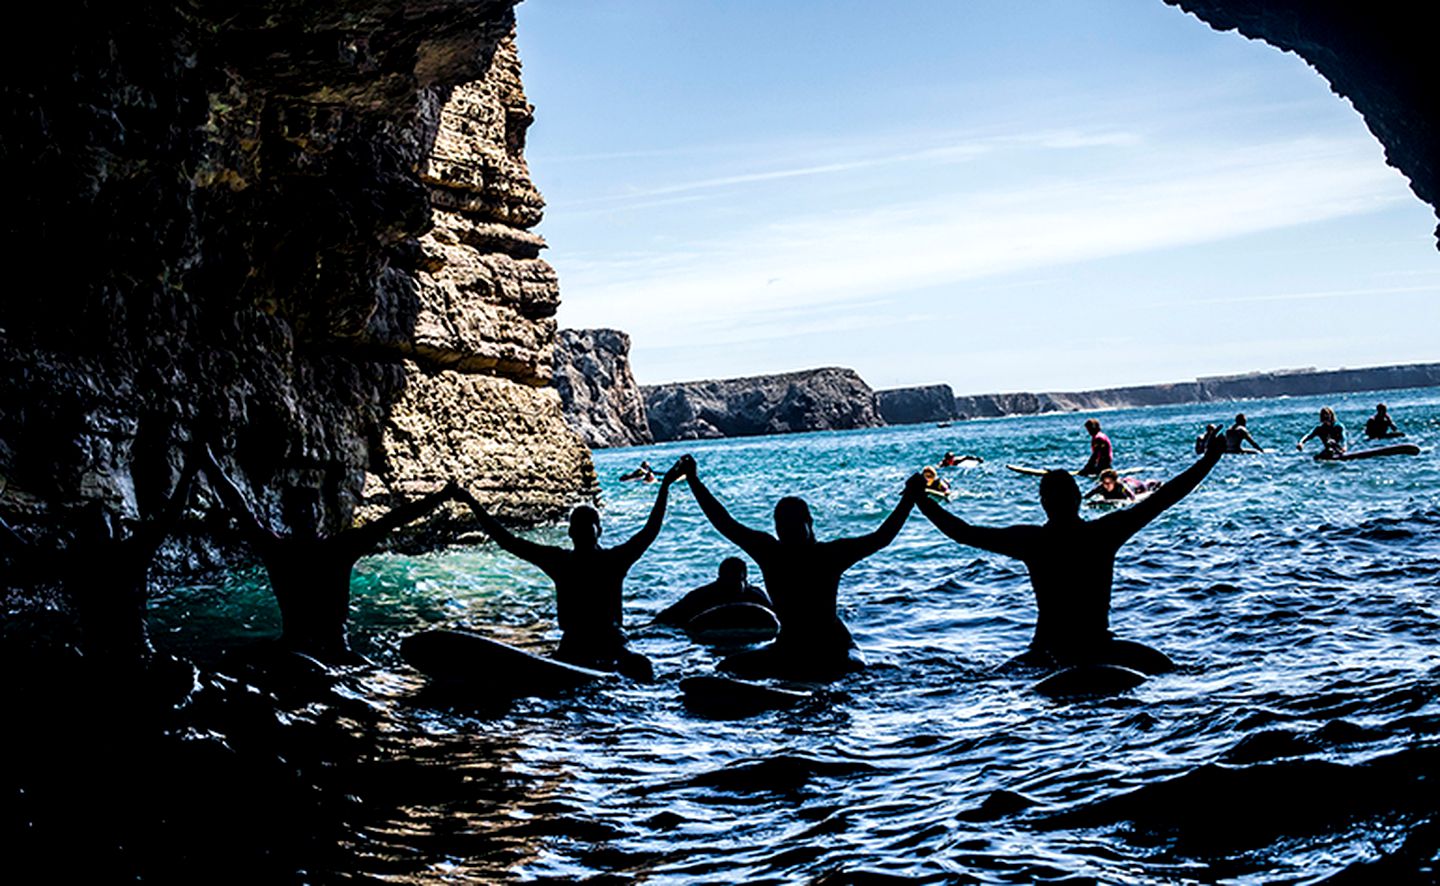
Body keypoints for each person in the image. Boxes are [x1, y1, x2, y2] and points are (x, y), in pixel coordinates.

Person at [914, 430, 1226, 675]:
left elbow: (962, 532)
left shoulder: (1032, 541)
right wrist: (1210, 459)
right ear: (1078, 498)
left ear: (1043, 503)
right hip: (1098, 646)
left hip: (1049, 651)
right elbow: (1165, 497)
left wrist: (921, 500)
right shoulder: (1103, 534)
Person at [202, 446, 459, 664]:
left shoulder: (278, 549)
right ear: (320, 515)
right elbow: (393, 519)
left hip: (293, 652)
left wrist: (208, 461)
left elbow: (240, 507)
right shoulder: (337, 549)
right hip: (336, 654)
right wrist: (443, 495)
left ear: (286, 517)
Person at [677, 453, 924, 679]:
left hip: (834, 645)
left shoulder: (829, 554)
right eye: (782, 526)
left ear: (809, 523)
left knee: (852, 669)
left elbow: (881, 538)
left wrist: (909, 499)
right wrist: (694, 481)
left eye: (794, 525)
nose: (788, 531)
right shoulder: (769, 551)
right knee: (724, 669)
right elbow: (725, 523)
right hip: (789, 645)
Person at [454, 459, 685, 682]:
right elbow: (508, 541)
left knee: (640, 665)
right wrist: (471, 503)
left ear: (598, 531)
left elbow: (651, 530)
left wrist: (664, 486)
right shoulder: (578, 560)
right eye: (579, 526)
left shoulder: (603, 560)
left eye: (587, 526)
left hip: (608, 642)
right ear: (572, 533)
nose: (583, 531)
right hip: (578, 643)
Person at [654, 557, 773, 627]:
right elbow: (665, 617)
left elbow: (775, 617)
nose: (731, 584)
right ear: (720, 578)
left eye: (735, 579)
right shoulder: (702, 595)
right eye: (728, 579)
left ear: (745, 579)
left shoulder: (755, 596)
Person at [1082, 468, 1158, 502]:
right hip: (1126, 481)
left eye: (1109, 483)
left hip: (1135, 485)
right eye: (1104, 483)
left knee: (1146, 486)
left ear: (1114, 482)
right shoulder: (1100, 487)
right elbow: (1086, 497)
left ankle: (1154, 483)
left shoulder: (1121, 487)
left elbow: (1131, 496)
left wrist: (1133, 501)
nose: (1106, 485)